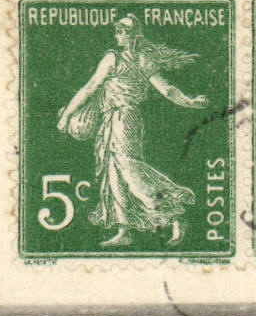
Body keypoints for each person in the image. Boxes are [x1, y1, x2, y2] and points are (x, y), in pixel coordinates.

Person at [57, 16, 210, 247]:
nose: (118, 34)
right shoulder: (125, 58)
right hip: (112, 119)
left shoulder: (127, 59)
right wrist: (189, 101)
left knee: (129, 170)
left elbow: (165, 89)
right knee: (114, 174)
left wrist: (190, 101)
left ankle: (174, 213)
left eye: (123, 30)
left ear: (134, 34)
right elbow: (92, 88)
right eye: (117, 30)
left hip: (124, 119)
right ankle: (124, 230)